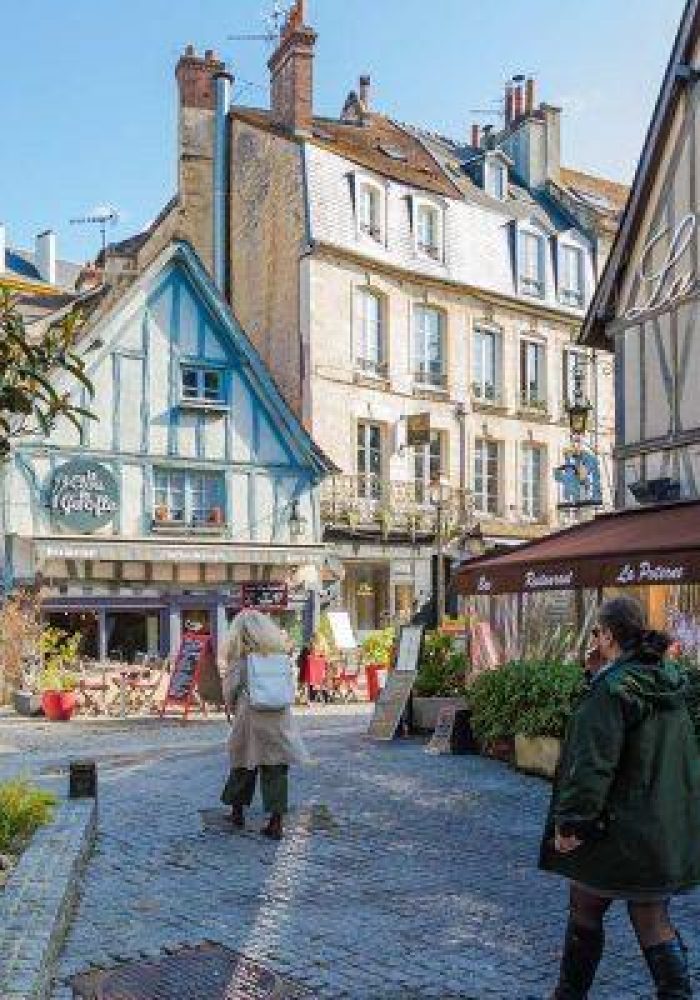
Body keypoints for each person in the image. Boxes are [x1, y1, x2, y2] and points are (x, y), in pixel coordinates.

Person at [540, 595, 700, 999]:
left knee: (609, 908)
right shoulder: (664, 679)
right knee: (620, 907)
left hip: (617, 828)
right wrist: (596, 677)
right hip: (660, 823)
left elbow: (593, 762)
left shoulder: (613, 690)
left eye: (597, 632)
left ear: (608, 635)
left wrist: (572, 821)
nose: (594, 639)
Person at [219, 610, 308, 840]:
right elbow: (290, 685)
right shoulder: (280, 657)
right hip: (279, 716)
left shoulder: (240, 660)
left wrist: (229, 708)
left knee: (242, 762)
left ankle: (237, 812)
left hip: (250, 716)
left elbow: (229, 689)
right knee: (276, 768)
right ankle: (276, 822)